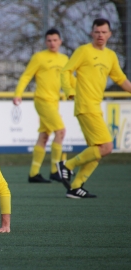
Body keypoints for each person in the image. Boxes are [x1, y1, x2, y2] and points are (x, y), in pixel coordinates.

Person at [59, 18, 131, 199]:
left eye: (104, 32)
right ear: (92, 33)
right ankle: (67, 165)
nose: (100, 35)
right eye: (97, 32)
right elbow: (65, 70)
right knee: (106, 147)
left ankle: (75, 187)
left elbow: (121, 79)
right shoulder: (83, 51)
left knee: (97, 151)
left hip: (95, 106)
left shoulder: (111, 56)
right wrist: (69, 90)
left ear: (110, 34)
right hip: (85, 105)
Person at [13, 28, 76, 184]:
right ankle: (56, 170)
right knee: (61, 132)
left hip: (55, 102)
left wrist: (79, 92)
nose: (52, 43)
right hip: (42, 100)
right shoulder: (39, 57)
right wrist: (18, 93)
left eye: (55, 40)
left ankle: (34, 174)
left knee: (44, 136)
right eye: (49, 40)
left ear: (60, 41)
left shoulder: (64, 59)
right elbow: (26, 76)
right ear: (45, 42)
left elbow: (69, 79)